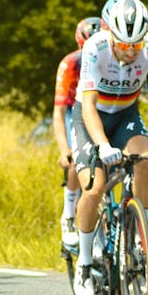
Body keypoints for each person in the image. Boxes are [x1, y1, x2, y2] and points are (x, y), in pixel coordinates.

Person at [69, 0, 148, 295]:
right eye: (124, 44)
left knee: (144, 159)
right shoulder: (96, 47)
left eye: (137, 45)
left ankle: (146, 254)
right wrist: (103, 145)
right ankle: (84, 261)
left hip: (126, 114)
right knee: (94, 188)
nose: (131, 51)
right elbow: (88, 105)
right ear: (111, 35)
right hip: (90, 117)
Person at [53, 16, 102, 253]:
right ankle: (68, 214)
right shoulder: (70, 64)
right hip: (77, 111)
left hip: (103, 111)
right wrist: (65, 149)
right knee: (76, 160)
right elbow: (59, 111)